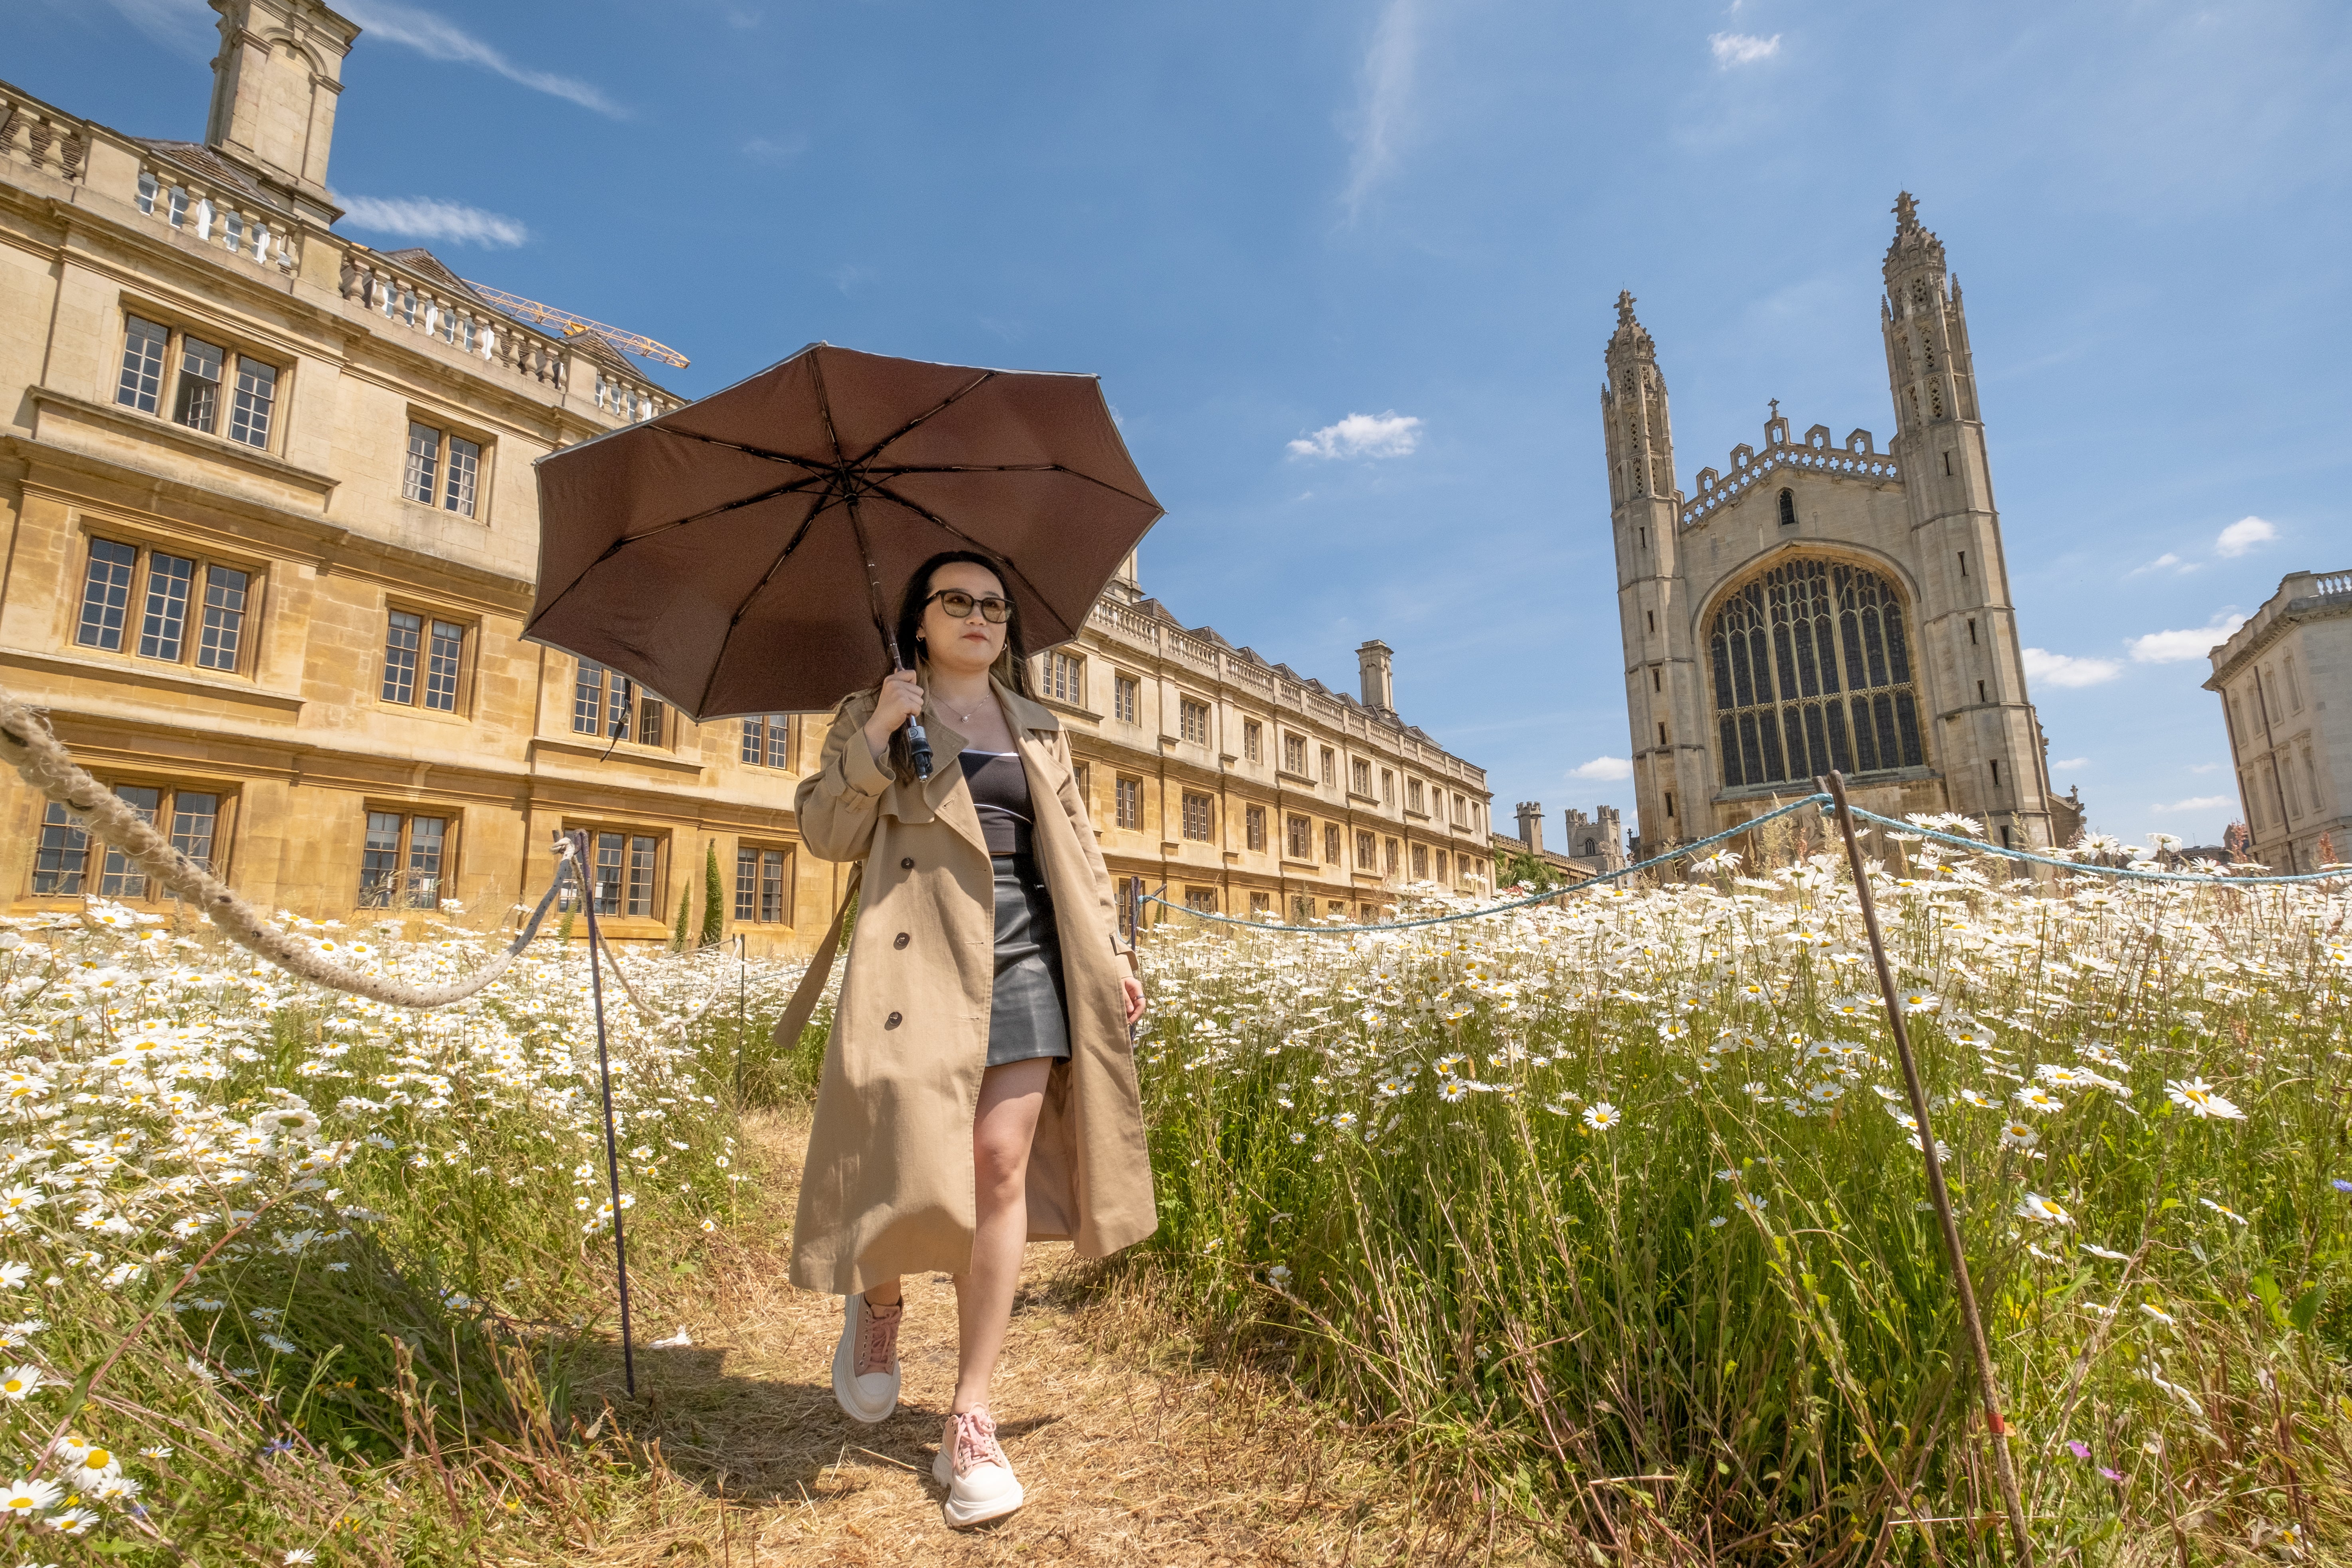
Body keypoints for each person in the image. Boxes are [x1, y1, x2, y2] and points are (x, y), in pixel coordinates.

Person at [789, 550, 1154, 1529]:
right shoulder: (870, 714)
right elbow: (824, 834)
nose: (982, 616)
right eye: (958, 601)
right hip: (915, 962)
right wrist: (877, 729)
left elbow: (1077, 845)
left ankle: (970, 1414)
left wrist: (1114, 953)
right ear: (919, 620)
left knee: (998, 1166)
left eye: (995, 605)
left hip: (1030, 954)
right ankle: (878, 1305)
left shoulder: (1038, 723)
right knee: (900, 1156)